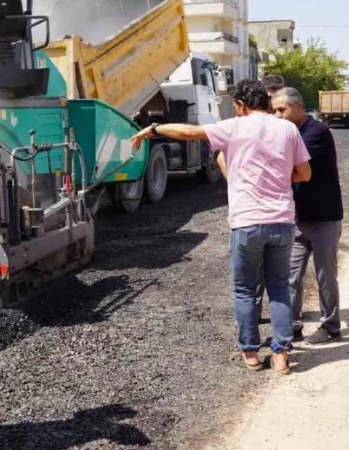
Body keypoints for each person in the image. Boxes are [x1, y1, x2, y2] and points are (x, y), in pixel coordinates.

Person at [131, 79, 311, 374]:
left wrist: (154, 129)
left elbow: (189, 132)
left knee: (244, 290)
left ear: (240, 105)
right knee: (279, 289)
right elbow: (304, 173)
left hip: (246, 223)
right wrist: (277, 175)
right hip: (282, 222)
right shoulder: (288, 129)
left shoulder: (234, 127)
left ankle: (251, 354)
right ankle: (281, 355)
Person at [271, 87, 344, 344]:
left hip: (324, 217)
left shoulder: (316, 132)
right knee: (290, 276)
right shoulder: (287, 133)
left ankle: (331, 326)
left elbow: (289, 164)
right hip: (297, 217)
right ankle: (292, 326)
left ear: (299, 107)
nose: (277, 116)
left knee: (325, 276)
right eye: (274, 111)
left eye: (282, 110)